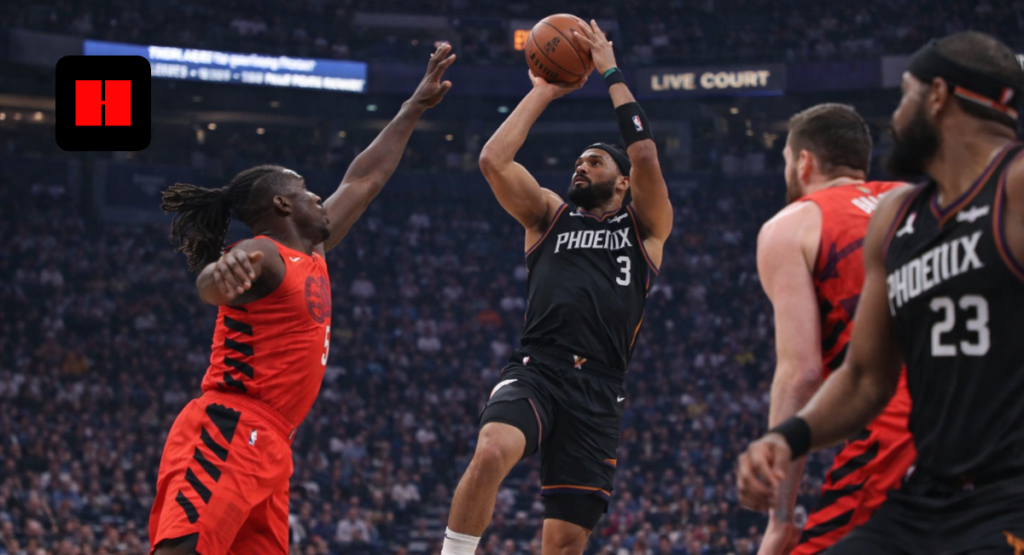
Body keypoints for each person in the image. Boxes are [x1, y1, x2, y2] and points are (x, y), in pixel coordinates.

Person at [147, 44, 455, 555]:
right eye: (307, 189)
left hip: (273, 441)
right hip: (230, 424)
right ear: (282, 203)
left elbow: (367, 177)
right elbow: (212, 287)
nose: (319, 196)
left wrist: (414, 107)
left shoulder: (312, 249)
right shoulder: (262, 254)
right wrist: (217, 275)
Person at [738, 31, 1024, 554]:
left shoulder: (1014, 188)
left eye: (905, 95)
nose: (895, 116)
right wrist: (786, 438)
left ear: (936, 96)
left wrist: (781, 511)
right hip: (926, 485)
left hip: (995, 485)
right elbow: (866, 375)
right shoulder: (899, 215)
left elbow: (801, 371)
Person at [440, 20, 673, 555]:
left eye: (594, 162)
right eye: (577, 161)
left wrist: (610, 70)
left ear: (621, 183)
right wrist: (543, 90)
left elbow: (646, 156)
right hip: (539, 367)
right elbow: (493, 162)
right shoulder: (548, 215)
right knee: (494, 448)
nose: (581, 166)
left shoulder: (647, 228)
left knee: (565, 542)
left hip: (600, 388)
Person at [755, 103, 915, 555]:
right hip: (986, 424)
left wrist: (780, 517)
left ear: (803, 161)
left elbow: (800, 375)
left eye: (786, 160)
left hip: (897, 431)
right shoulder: (920, 202)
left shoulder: (793, 224)